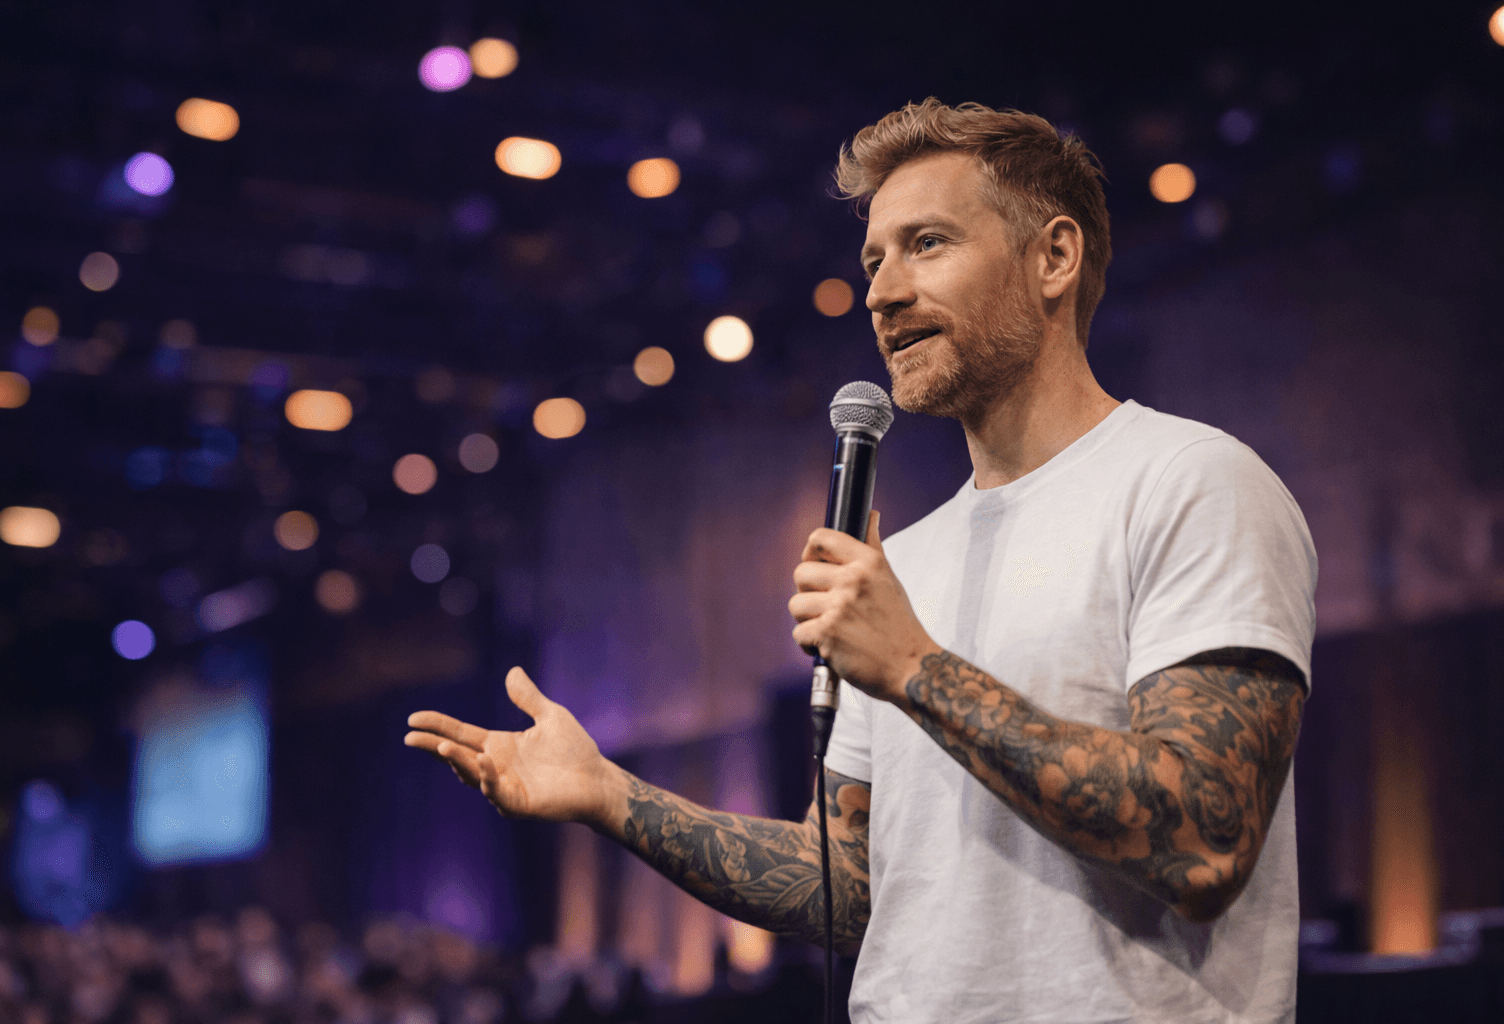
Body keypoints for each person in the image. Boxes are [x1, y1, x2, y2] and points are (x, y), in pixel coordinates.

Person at [405, 98, 1316, 1024]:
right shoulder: (904, 564)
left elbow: (1204, 842)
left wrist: (915, 667)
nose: (881, 294)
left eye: (928, 244)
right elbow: (842, 882)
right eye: (874, 261)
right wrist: (612, 796)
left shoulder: (1189, 484)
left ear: (1054, 257)